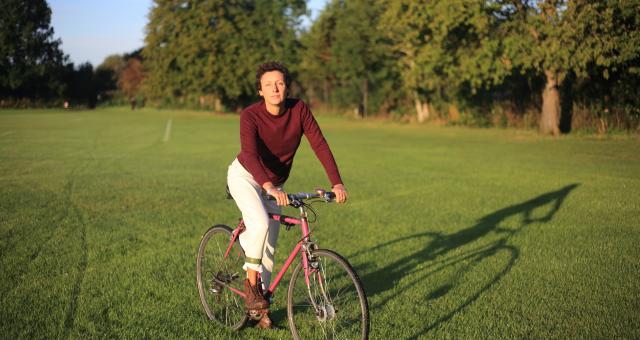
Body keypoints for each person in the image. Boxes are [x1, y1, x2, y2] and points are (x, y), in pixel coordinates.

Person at [226, 61, 347, 328]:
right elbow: (249, 154)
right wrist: (267, 186)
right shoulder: (250, 115)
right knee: (258, 223)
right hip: (245, 176)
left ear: (287, 87)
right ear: (260, 90)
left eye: (279, 83)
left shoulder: (299, 109)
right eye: (268, 84)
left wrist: (336, 183)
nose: (275, 88)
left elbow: (319, 143)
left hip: (274, 185)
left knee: (268, 248)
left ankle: (262, 312)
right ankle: (250, 287)